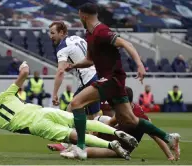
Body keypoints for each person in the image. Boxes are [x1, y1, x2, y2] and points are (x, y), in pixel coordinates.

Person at [0, 62, 138, 160]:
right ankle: (115, 131)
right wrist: (23, 65)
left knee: (75, 136)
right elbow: (25, 72)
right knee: (80, 123)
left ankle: (111, 144)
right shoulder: (6, 95)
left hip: (37, 125)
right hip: (44, 111)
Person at [62, 3, 180, 159]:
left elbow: (126, 43)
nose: (79, 19)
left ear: (83, 16)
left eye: (79, 16)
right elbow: (89, 60)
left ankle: (81, 148)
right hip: (113, 81)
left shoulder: (101, 31)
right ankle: (168, 138)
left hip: (111, 79)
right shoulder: (89, 34)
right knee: (129, 119)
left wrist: (139, 65)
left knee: (76, 103)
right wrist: (74, 65)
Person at [48, 87, 179, 161]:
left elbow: (156, 135)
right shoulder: (123, 109)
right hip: (114, 135)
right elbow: (111, 122)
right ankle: (68, 144)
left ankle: (76, 150)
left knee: (101, 151)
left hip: (122, 147)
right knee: (98, 121)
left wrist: (169, 156)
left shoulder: (139, 117)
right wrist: (97, 133)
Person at [49, 21, 100, 119]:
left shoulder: (62, 47)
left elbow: (60, 72)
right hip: (96, 76)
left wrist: (55, 93)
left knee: (71, 109)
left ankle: (72, 134)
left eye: (52, 33)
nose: (50, 36)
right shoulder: (77, 38)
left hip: (88, 80)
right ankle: (112, 130)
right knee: (93, 117)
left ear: (61, 33)